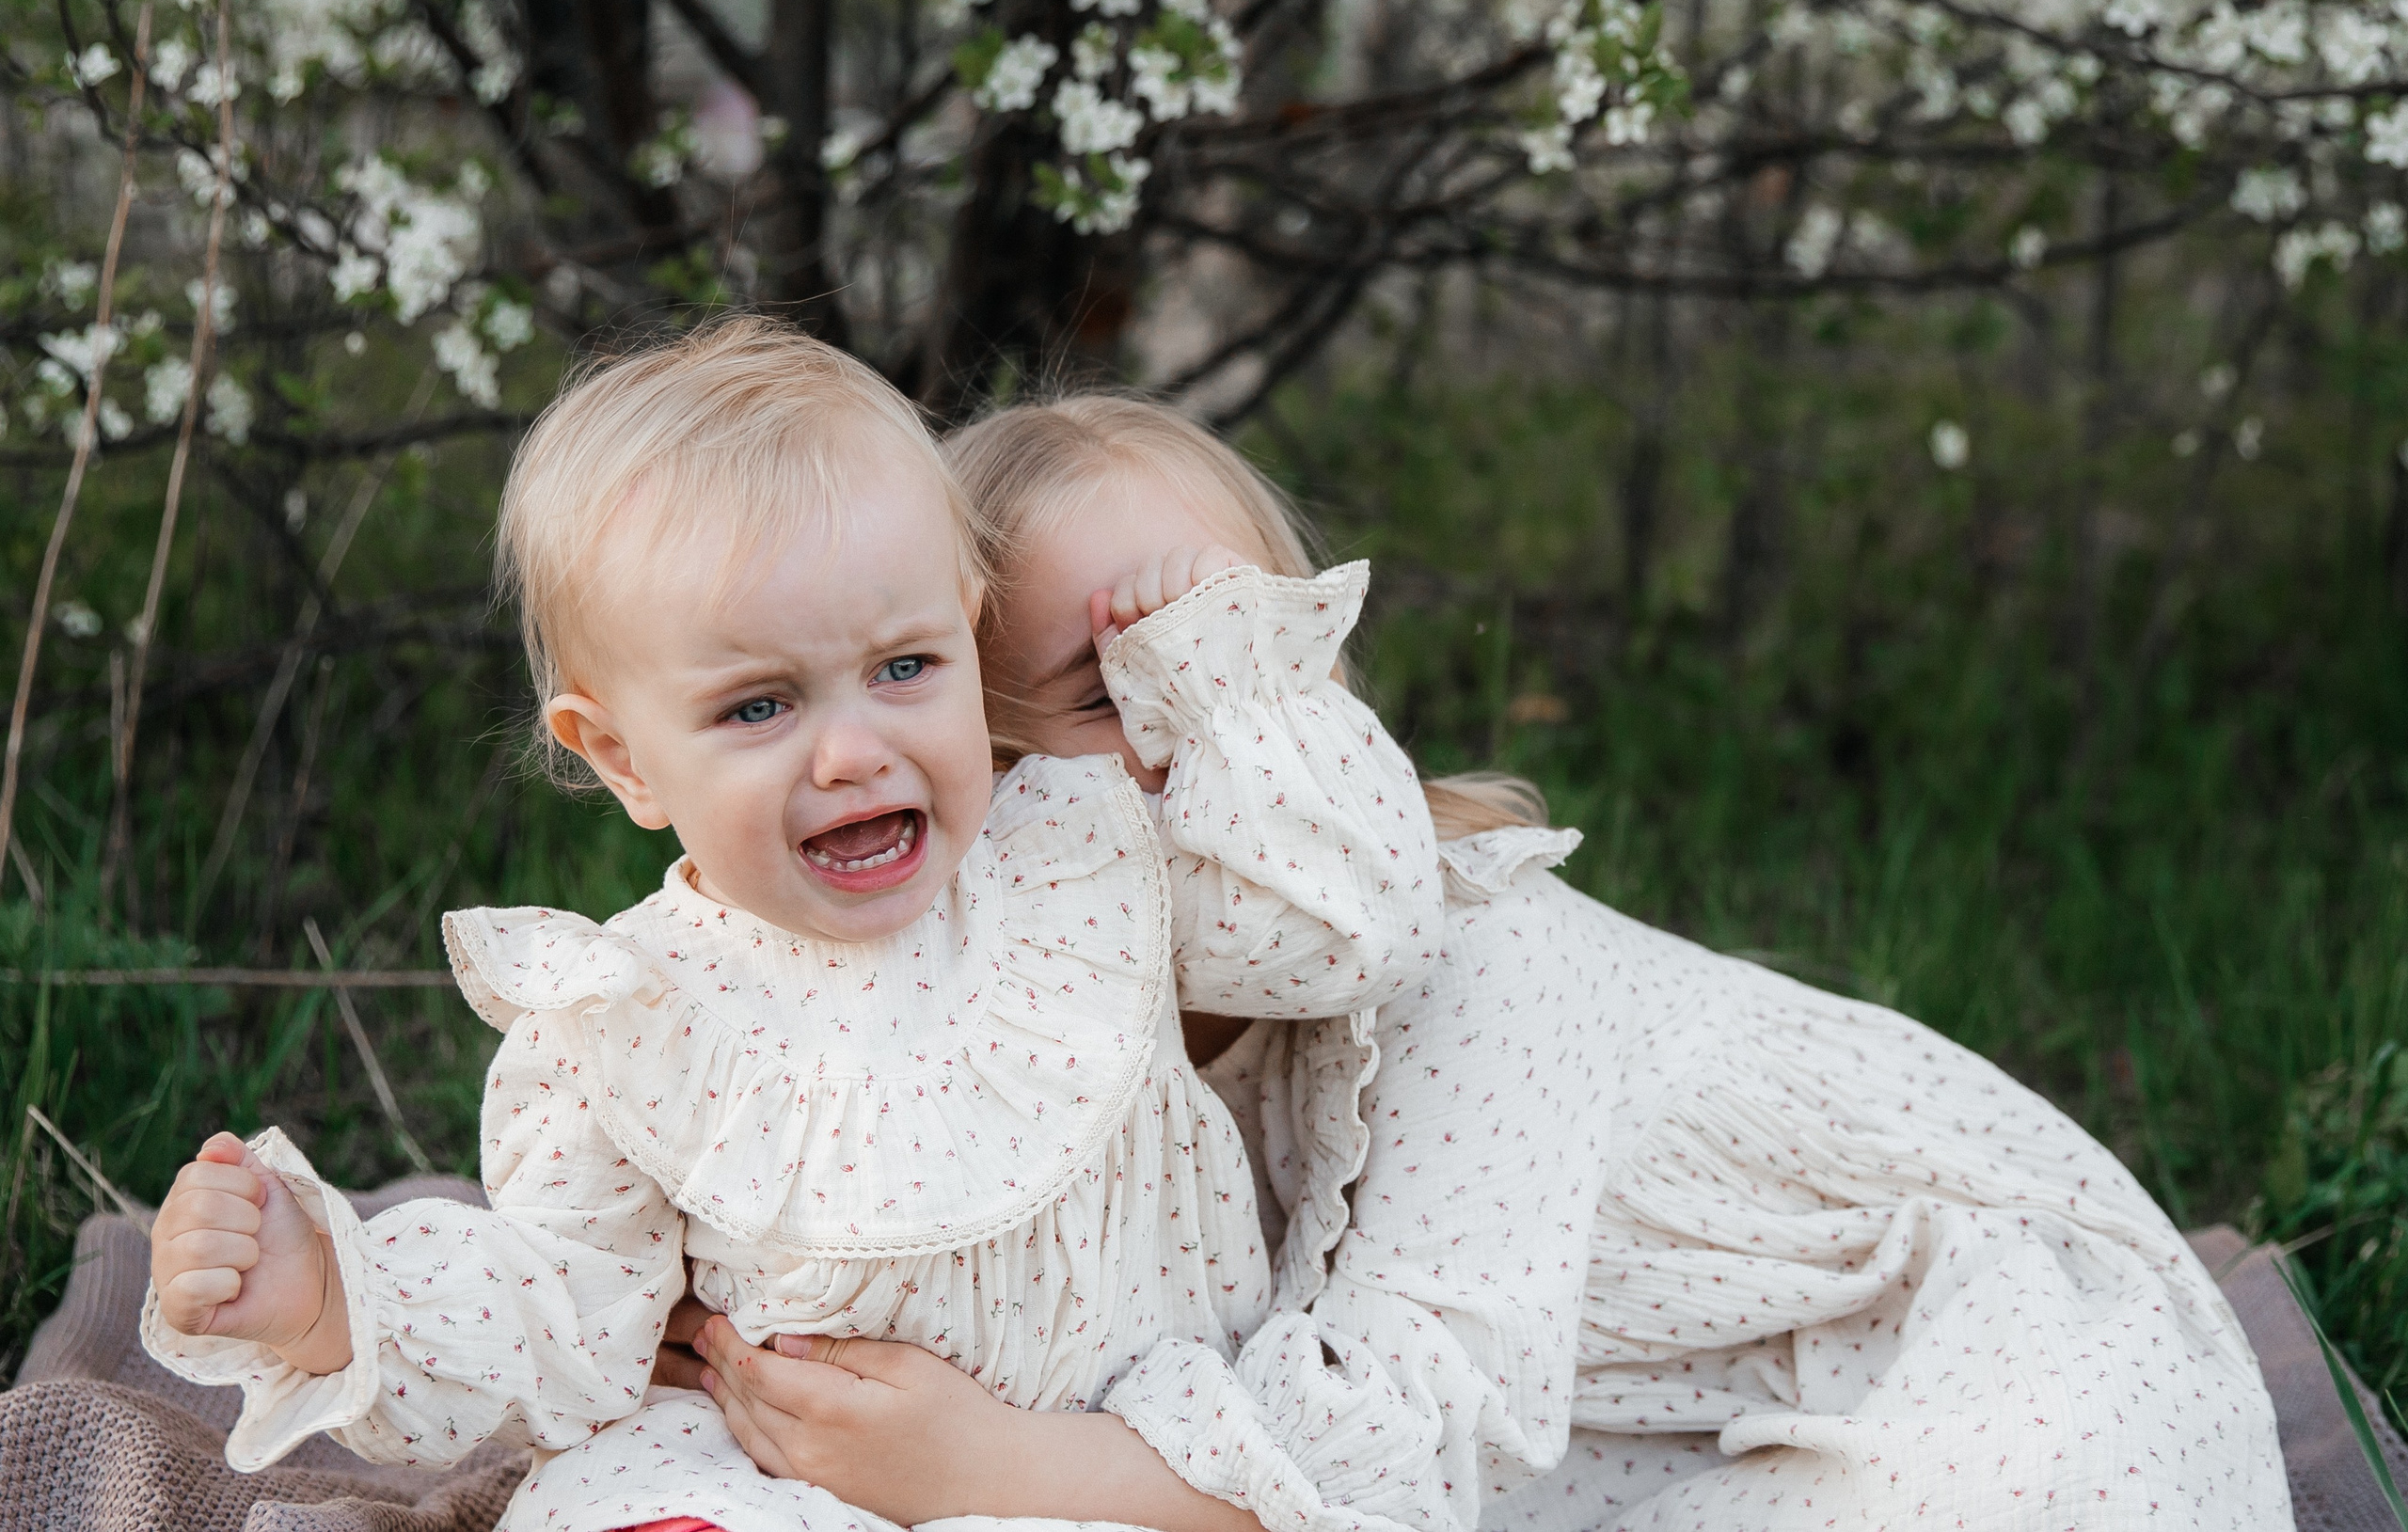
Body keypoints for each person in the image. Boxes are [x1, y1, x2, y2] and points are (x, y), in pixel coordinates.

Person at [682, 394, 2293, 1532]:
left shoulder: (1476, 957)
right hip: (1659, 1418)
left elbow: (1400, 1439)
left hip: (1985, 1358)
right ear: (973, 738)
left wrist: (994, 1463)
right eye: (1117, 695)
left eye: (1253, 673)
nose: (1211, 751)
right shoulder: (1040, 1027)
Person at [138, 324, 1443, 1532]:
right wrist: (325, 1295)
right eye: (760, 706)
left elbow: (1348, 929)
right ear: (622, 759)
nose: (855, 749)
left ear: (968, 635)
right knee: (639, 1494)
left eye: (904, 668)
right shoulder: (634, 1006)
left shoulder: (1081, 854)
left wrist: (1224, 675)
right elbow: (561, 1305)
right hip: (789, 1475)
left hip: (1107, 1453)